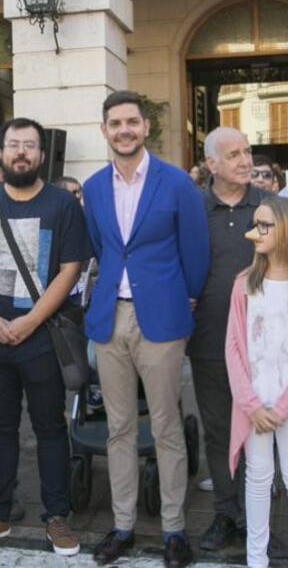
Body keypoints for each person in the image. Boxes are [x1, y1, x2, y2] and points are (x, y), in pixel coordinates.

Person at [83, 91, 209, 568]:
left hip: (161, 317)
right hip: (109, 317)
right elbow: (102, 246)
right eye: (115, 123)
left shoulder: (176, 184)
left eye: (131, 122)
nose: (124, 130)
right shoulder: (94, 188)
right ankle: (123, 526)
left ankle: (174, 530)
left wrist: (183, 296)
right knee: (117, 427)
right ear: (105, 130)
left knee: (166, 426)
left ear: (145, 127)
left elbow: (195, 254)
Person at [0, 117, 89, 558]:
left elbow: (70, 269)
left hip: (42, 335)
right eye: (14, 145)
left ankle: (57, 516)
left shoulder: (62, 205)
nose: (21, 153)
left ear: (41, 154)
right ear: (2, 152)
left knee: (51, 427)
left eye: (29, 146)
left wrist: (30, 320)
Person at [187, 127, 269, 552]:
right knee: (219, 432)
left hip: (269, 349)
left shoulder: (274, 208)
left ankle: (267, 520)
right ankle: (226, 513)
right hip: (210, 344)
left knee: (269, 431)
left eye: (247, 151)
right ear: (211, 165)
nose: (244, 160)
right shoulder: (193, 210)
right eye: (233, 154)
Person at [225, 198, 288, 568]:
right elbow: (233, 346)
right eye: (255, 224)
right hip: (253, 405)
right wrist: (251, 405)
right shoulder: (244, 284)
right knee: (258, 478)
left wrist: (279, 408)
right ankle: (256, 559)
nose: (255, 232)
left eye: (264, 225)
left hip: (281, 404)